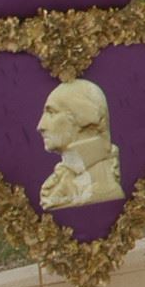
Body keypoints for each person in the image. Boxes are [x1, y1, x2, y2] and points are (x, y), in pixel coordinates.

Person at [37, 79, 126, 212]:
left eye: (51, 112)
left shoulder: (103, 189)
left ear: (85, 117)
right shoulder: (63, 178)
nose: (40, 126)